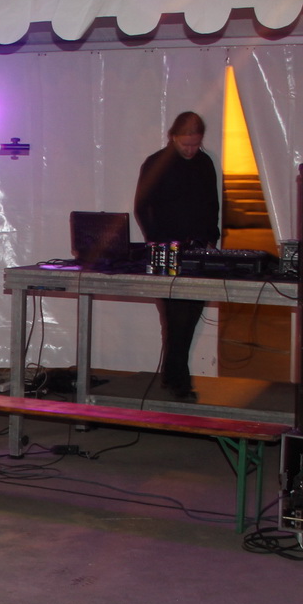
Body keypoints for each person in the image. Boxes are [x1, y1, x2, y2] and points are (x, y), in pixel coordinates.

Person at [134, 111, 221, 402]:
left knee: (190, 315)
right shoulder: (156, 163)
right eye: (186, 144)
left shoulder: (204, 163)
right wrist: (156, 242)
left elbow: (212, 204)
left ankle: (173, 376)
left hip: (197, 249)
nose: (191, 150)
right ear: (173, 137)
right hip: (167, 250)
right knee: (175, 317)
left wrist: (211, 239)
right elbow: (142, 206)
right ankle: (179, 381)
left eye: (196, 144)